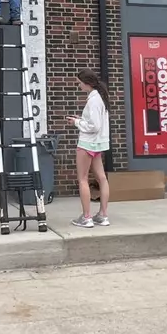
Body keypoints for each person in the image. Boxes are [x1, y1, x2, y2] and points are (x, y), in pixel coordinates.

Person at [66, 69, 111, 228]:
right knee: (102, 178)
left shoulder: (93, 100)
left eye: (79, 83)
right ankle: (103, 215)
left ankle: (86, 217)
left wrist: (77, 123)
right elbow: (96, 122)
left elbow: (94, 126)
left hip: (87, 144)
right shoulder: (101, 98)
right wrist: (82, 119)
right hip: (98, 144)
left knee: (83, 179)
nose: (79, 86)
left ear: (87, 83)